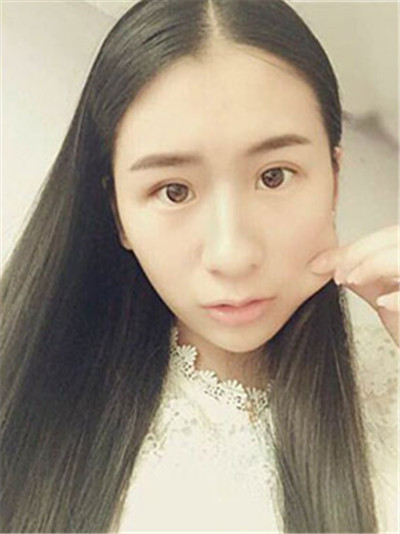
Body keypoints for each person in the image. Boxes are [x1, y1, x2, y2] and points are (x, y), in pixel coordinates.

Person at [1, 0, 398, 532]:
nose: (231, 254)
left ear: (334, 178)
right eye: (174, 190)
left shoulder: (389, 387)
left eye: (274, 177)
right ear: (118, 214)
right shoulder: (25, 406)